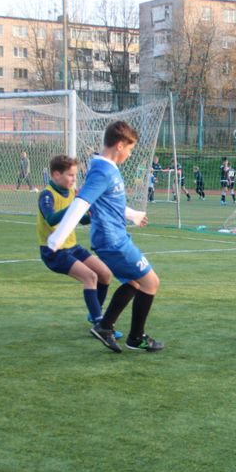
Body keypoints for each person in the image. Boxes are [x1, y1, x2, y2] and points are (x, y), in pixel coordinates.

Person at [47, 120, 164, 353]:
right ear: (120, 145)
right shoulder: (102, 170)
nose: (130, 154)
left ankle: (105, 326)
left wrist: (132, 215)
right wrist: (58, 238)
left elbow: (109, 203)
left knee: (133, 282)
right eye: (130, 149)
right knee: (151, 283)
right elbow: (81, 203)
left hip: (113, 237)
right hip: (113, 241)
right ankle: (136, 338)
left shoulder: (105, 168)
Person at [37, 155, 118, 337]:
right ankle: (100, 324)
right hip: (53, 251)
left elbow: (81, 219)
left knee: (105, 274)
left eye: (75, 176)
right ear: (56, 175)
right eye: (71, 175)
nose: (74, 179)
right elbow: (51, 219)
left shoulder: (73, 193)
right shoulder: (47, 194)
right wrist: (74, 206)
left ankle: (94, 313)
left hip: (72, 247)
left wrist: (97, 216)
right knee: (90, 277)